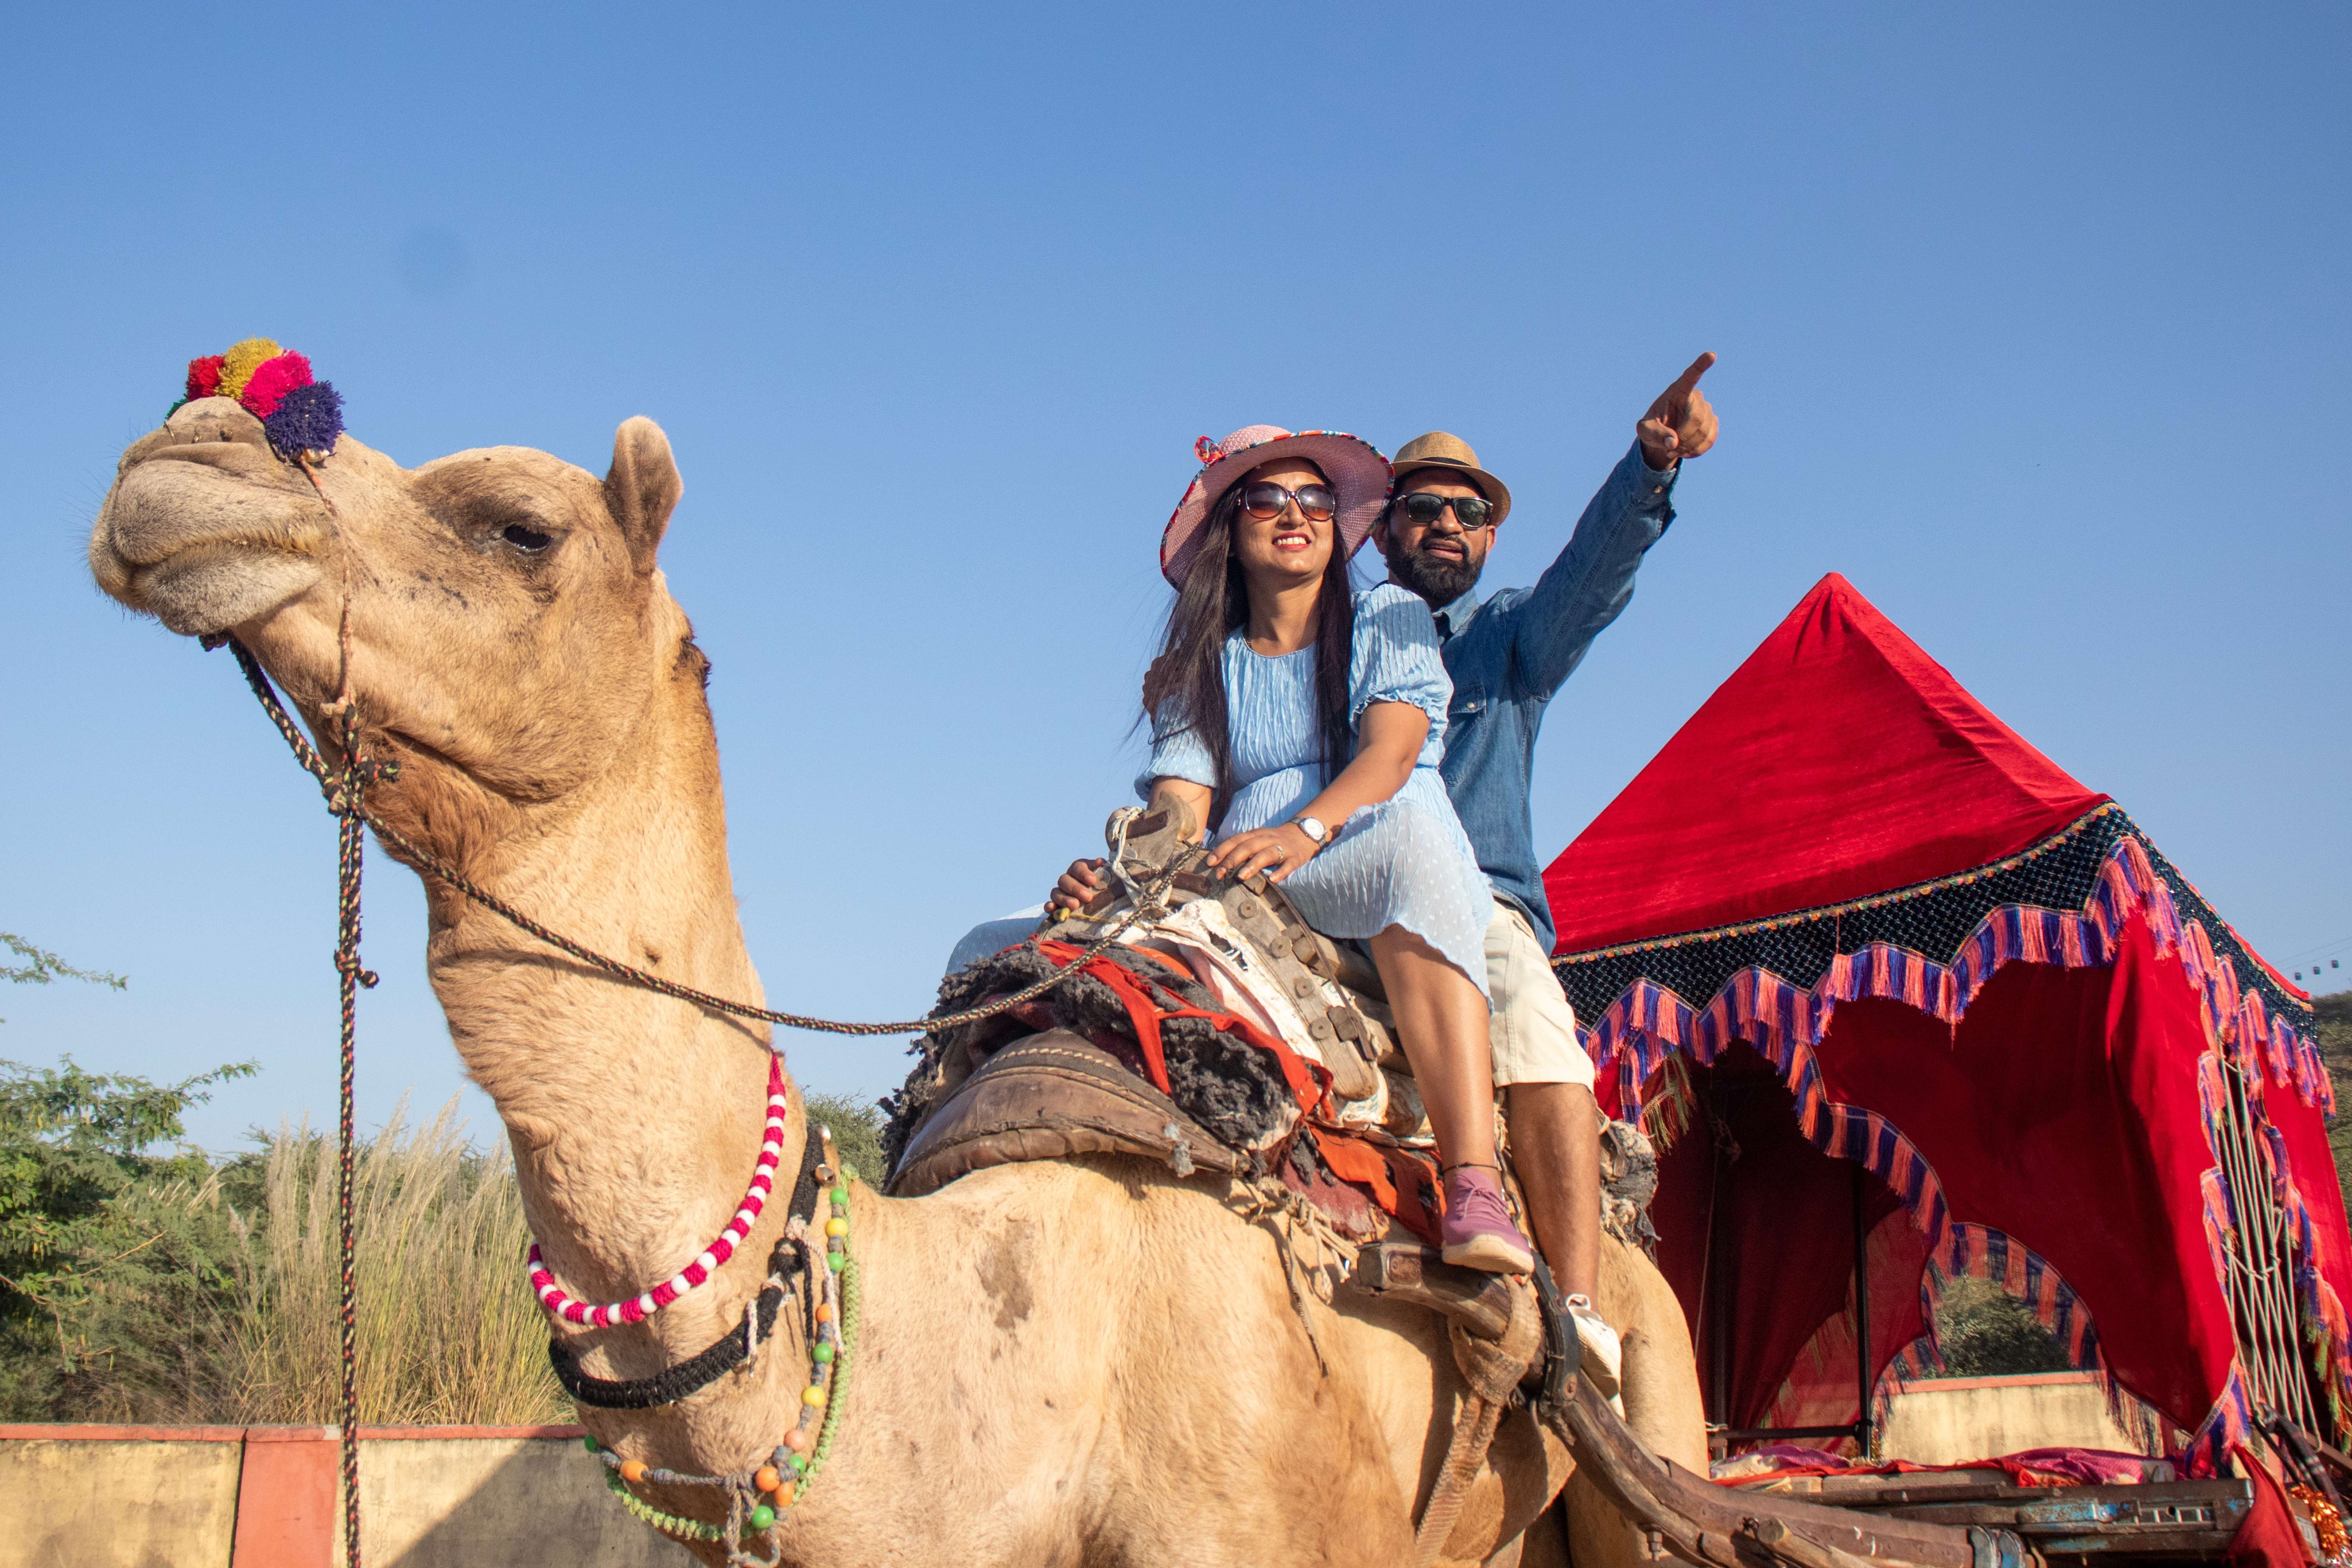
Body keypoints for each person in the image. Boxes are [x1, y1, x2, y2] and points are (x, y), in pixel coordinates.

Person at [1048, 425, 1535, 1274]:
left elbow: (1391, 752)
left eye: (1315, 499)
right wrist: (1121, 871)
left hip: (1358, 837)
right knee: (1012, 942)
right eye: (1267, 499)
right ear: (1231, 528)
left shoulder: (1387, 611)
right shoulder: (1200, 662)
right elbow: (1182, 807)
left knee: (1414, 835)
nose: (1295, 514)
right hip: (1242, 871)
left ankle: (1473, 1177)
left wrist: (1305, 828)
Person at [1371, 354, 1721, 1397]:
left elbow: (1592, 576)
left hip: (1473, 903)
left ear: (1486, 538)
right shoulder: (1346, 644)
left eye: (1467, 512)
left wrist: (1648, 470)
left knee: (1528, 1015)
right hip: (1346, 891)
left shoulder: (1510, 639)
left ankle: (1575, 1317)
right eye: (1424, 507)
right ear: (1384, 531)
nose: (1446, 524)